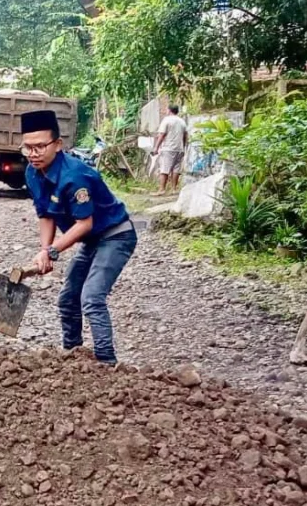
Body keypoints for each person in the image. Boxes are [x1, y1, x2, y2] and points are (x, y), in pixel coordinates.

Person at [22, 109, 138, 364]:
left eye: (40, 146)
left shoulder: (75, 175)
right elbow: (46, 214)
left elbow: (85, 223)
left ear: (58, 144)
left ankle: (106, 363)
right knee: (68, 299)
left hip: (116, 235)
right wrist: (45, 250)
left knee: (92, 297)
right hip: (92, 240)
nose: (33, 153)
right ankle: (73, 357)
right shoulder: (32, 173)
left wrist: (52, 251)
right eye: (28, 147)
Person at [153, 104, 188, 196]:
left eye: (166, 110)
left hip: (168, 148)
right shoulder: (182, 121)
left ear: (169, 110)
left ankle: (162, 189)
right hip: (179, 149)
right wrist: (183, 147)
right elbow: (185, 136)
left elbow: (162, 135)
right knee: (176, 169)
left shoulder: (167, 120)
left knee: (164, 169)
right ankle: (174, 189)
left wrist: (156, 147)